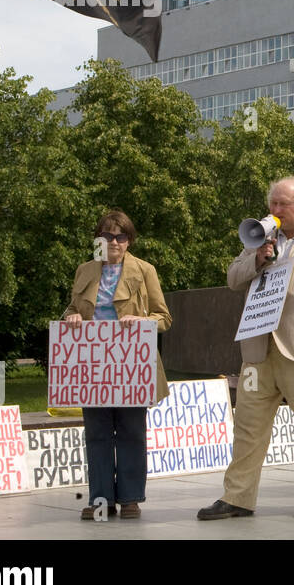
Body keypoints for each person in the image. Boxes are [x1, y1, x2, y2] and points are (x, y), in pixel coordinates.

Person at [198, 176, 294, 520]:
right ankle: (237, 497)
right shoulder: (261, 237)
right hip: (258, 351)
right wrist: (257, 259)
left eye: (283, 204)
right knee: (248, 426)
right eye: (273, 203)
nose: (276, 210)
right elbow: (233, 278)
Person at [64, 210, 171, 520]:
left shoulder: (145, 270)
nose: (114, 242)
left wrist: (143, 321)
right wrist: (71, 317)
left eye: (120, 236)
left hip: (131, 364)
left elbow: (164, 317)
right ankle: (100, 500)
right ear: (99, 239)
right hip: (92, 364)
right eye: (108, 236)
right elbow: (72, 308)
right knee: (96, 433)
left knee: (131, 432)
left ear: (129, 241)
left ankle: (130, 498)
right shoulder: (84, 270)